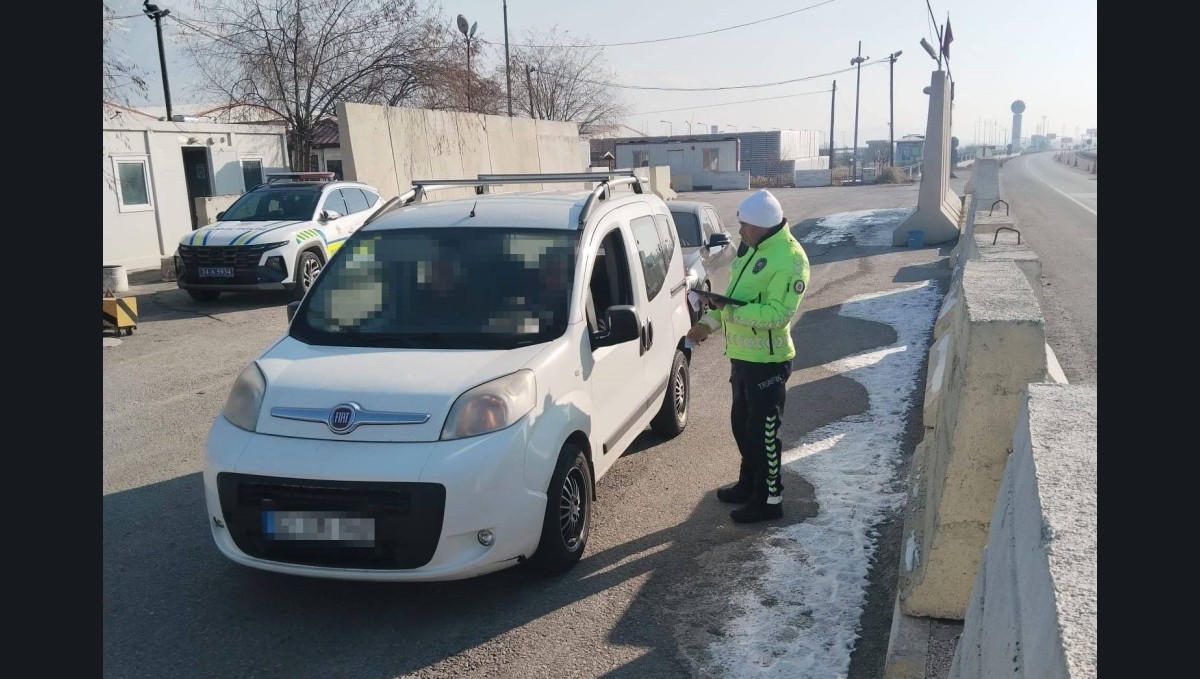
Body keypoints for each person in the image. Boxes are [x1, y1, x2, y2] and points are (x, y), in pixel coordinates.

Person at [686, 189, 810, 524]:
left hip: (768, 363)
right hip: (742, 359)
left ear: (762, 225)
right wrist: (708, 324)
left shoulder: (790, 259)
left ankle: (770, 500)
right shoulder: (752, 249)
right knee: (742, 426)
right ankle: (748, 484)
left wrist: (728, 312)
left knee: (764, 433)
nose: (740, 232)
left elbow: (778, 314)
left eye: (745, 226)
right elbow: (733, 300)